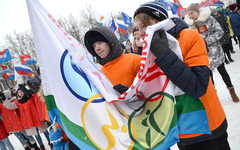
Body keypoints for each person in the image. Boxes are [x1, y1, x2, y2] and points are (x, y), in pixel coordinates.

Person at [133, 1, 230, 149]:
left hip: (208, 128)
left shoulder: (189, 36)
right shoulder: (148, 52)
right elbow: (155, 91)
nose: (140, 33)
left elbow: (198, 87)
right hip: (181, 132)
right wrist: (132, 93)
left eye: (144, 27)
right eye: (138, 28)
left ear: (160, 21)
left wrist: (164, 54)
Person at [185, 3, 239, 103]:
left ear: (197, 11)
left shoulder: (209, 19)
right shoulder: (190, 26)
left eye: (191, 13)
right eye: (188, 14)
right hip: (203, 56)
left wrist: (207, 41)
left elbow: (220, 32)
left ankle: (232, 92)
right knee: (209, 78)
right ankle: (214, 97)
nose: (190, 15)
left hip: (216, 53)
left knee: (223, 72)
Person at [84, 26, 141, 90]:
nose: (97, 48)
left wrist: (132, 94)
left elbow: (151, 89)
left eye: (99, 43)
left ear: (110, 42)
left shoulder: (135, 60)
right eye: (94, 46)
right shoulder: (100, 75)